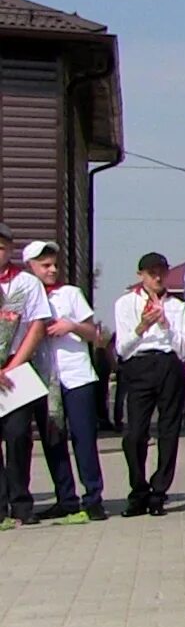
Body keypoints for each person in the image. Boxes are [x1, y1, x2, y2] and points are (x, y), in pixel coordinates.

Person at [24, 241, 108, 523]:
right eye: (45, 266)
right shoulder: (26, 296)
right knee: (52, 440)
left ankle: (93, 497)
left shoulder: (69, 294)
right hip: (45, 379)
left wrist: (71, 326)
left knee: (83, 437)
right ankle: (66, 497)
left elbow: (93, 333)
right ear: (31, 267)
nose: (52, 270)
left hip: (76, 376)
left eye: (55, 265)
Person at [113, 252, 185, 517]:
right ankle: (138, 489)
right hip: (140, 364)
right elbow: (122, 349)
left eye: (161, 272)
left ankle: (159, 492)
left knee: (169, 430)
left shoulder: (177, 306)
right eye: (151, 273)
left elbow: (183, 348)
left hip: (168, 364)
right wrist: (141, 327)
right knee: (134, 433)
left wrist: (166, 325)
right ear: (141, 275)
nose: (157, 277)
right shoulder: (126, 303)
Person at [0, 224, 51, 529]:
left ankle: (21, 502)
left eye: (3, 247)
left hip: (16, 367)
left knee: (18, 436)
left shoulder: (25, 283)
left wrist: (13, 365)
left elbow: (37, 325)